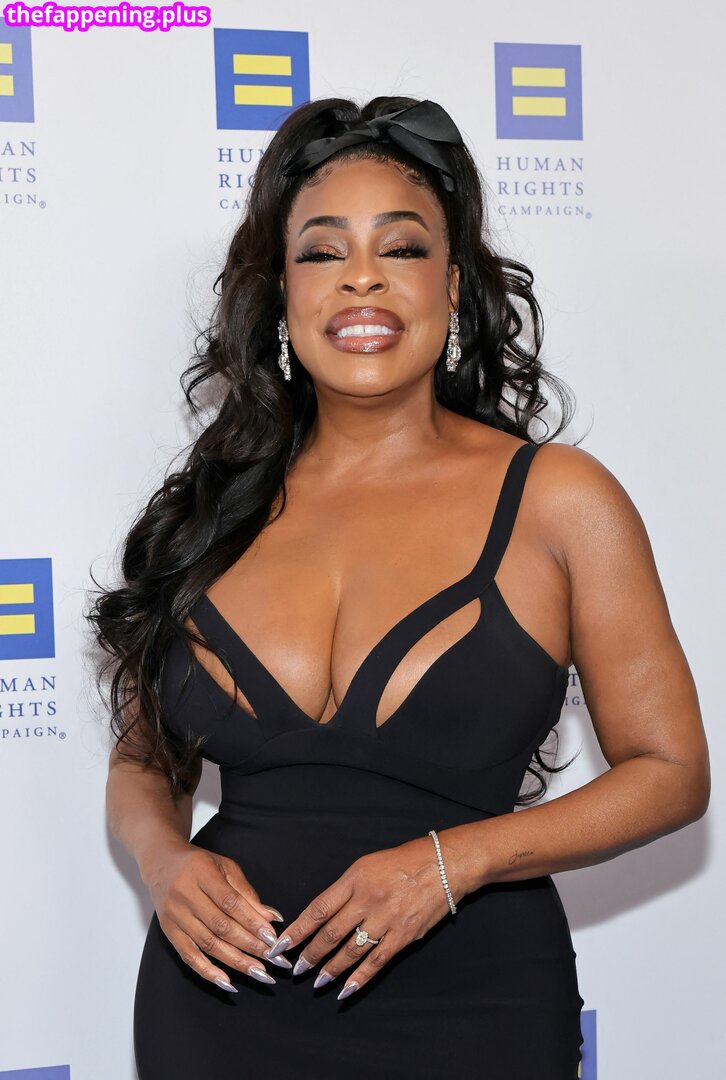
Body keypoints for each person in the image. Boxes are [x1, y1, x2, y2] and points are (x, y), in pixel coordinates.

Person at [89, 96, 710, 1079]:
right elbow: (142, 762)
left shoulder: (557, 499)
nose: (363, 276)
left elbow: (670, 771)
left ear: (453, 288)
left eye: (403, 247)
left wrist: (455, 862)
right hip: (219, 1012)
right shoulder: (210, 510)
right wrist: (166, 865)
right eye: (323, 251)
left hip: (478, 1007)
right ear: (282, 295)